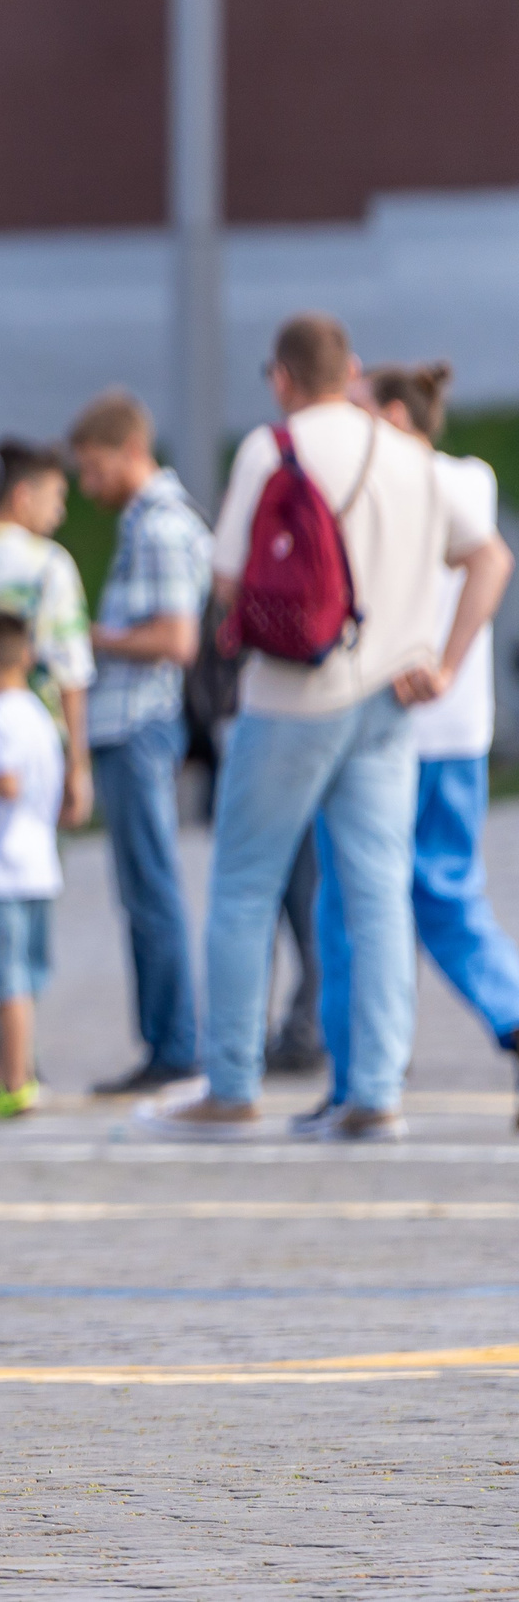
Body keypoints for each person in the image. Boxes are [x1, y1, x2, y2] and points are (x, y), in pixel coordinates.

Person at [139, 315, 511, 1141]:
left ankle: (231, 1083)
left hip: (290, 697)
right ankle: (374, 1090)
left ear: (281, 377)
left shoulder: (274, 449)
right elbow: (490, 558)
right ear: (350, 370)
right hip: (389, 699)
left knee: (243, 884)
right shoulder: (410, 455)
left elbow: (230, 578)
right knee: (380, 891)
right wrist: (443, 660)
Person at [306, 361, 519, 1135]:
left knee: (351, 903)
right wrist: (458, 664)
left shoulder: (393, 479)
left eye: (361, 410)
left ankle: (360, 1072)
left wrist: (440, 656)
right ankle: (509, 1007)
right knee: (450, 893)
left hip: (383, 727)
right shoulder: (472, 477)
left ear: (395, 414)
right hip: (460, 728)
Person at [66, 392, 214, 1094]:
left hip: (140, 724)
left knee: (151, 887)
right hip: (137, 725)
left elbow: (177, 639)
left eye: (95, 469)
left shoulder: (158, 525)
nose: (88, 486)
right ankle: (168, 1038)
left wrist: (90, 639)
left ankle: (175, 1044)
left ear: (131, 451)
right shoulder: (148, 521)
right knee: (143, 888)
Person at [0, 611, 64, 1119]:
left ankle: (14, 1078)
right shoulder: (40, 712)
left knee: (7, 985)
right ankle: (13, 1072)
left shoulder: (0, 713)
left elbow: (7, 781)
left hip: (2, 870)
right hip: (39, 865)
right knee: (24, 979)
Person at [0, 440, 93, 827]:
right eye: (55, 497)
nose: (61, 511)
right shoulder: (51, 564)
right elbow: (70, 670)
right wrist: (78, 765)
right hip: (33, 745)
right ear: (22, 496)